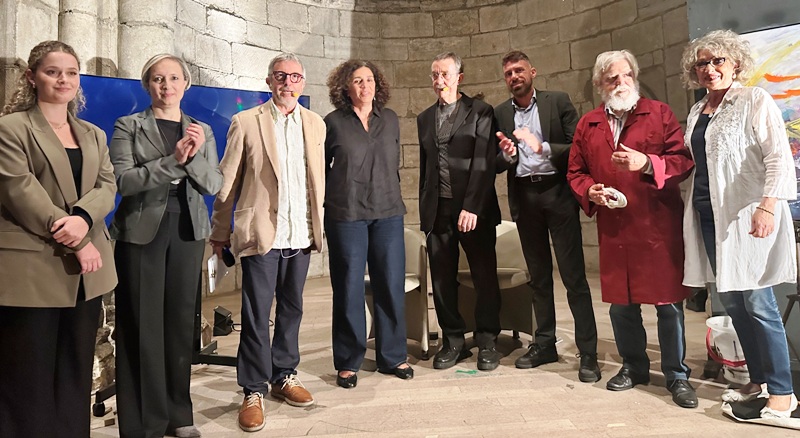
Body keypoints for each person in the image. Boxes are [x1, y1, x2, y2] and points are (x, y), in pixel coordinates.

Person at [567, 50, 698, 408]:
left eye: (627, 75)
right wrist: (590, 190)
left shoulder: (659, 113)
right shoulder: (588, 124)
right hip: (616, 228)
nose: (621, 83)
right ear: (599, 84)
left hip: (657, 225)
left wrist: (647, 163)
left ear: (635, 78)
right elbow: (576, 172)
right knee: (621, 306)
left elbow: (682, 161)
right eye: (612, 78)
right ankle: (634, 366)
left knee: (668, 305)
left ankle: (677, 374)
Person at [0, 40, 117, 438]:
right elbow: (20, 191)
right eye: (53, 72)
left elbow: (107, 185)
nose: (63, 79)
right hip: (33, 268)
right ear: (32, 77)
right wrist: (77, 239)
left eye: (71, 72)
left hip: (86, 276)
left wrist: (83, 219)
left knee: (74, 371)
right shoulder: (10, 129)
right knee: (26, 376)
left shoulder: (93, 134)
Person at [680, 29, 798, 419]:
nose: (710, 69)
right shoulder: (697, 111)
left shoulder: (754, 100)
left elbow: (778, 157)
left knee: (759, 303)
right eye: (702, 63)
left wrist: (768, 207)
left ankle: (783, 391)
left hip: (748, 215)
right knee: (732, 301)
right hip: (710, 217)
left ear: (735, 64)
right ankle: (759, 379)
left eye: (718, 61)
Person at [210, 53, 325, 433]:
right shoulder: (246, 122)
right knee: (257, 314)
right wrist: (220, 230)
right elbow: (227, 182)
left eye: (294, 77)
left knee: (292, 309)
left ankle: (284, 375)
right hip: (261, 232)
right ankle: (253, 389)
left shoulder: (316, 124)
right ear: (269, 81)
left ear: (303, 82)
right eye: (280, 76)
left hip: (300, 231)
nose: (287, 83)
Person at [110, 54, 223, 438]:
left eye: (174, 78)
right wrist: (175, 161)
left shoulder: (201, 130)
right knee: (142, 326)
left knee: (178, 325)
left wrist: (193, 157)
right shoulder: (128, 125)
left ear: (185, 84)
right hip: (142, 230)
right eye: (158, 78)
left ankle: (179, 414)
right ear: (147, 84)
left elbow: (213, 183)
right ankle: (146, 423)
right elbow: (124, 181)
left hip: (188, 231)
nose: (167, 85)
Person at [494, 50, 600, 381]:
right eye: (509, 73)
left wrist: (544, 148)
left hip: (557, 194)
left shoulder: (558, 101)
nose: (514, 77)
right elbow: (494, 162)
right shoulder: (500, 113)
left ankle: (588, 352)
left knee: (573, 277)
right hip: (525, 198)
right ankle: (544, 344)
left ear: (533, 72)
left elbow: (579, 147)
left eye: (519, 70)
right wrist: (506, 155)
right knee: (538, 277)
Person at [324, 60, 413, 389]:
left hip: (387, 211)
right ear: (345, 87)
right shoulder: (332, 122)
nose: (365, 86)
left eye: (370, 79)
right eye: (358, 80)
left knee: (390, 283)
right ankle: (349, 360)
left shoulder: (389, 119)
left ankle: (393, 355)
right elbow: (320, 170)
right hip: (346, 215)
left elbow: (393, 163)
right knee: (348, 287)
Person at [417, 52, 503, 371]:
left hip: (473, 209)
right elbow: (426, 168)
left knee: (484, 276)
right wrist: (425, 211)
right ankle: (453, 340)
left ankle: (487, 340)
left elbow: (484, 162)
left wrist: (472, 206)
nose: (439, 80)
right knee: (441, 280)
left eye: (445, 74)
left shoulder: (480, 111)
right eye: (434, 75)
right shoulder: (424, 118)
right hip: (438, 209)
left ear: (459, 78)